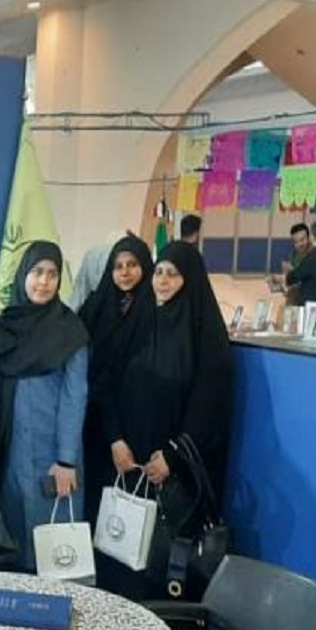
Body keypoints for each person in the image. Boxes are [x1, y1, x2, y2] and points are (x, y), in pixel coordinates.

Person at [104, 241, 233, 598]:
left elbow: (208, 406)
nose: (162, 280)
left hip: (174, 473)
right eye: (158, 272)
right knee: (123, 557)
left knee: (162, 566)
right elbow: (108, 382)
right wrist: (115, 438)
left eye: (172, 274)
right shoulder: (138, 323)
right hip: (129, 462)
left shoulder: (204, 340)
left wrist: (172, 457)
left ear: (189, 279)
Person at [0, 241, 89, 571]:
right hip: (11, 454)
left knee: (54, 557)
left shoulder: (70, 331)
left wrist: (66, 460)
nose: (44, 282)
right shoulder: (5, 326)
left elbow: (75, 397)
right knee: (14, 545)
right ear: (23, 276)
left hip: (53, 458)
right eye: (37, 272)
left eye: (52, 274)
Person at [78, 234, 156, 522]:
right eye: (118, 266)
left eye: (132, 264)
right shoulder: (96, 306)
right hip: (95, 420)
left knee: (127, 514)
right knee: (94, 503)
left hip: (134, 423)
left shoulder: (154, 312)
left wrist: (119, 435)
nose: (124, 272)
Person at [283, 223, 312, 307]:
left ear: (308, 238)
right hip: (293, 298)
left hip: (309, 300)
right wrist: (282, 283)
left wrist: (295, 274)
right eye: (296, 242)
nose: (299, 244)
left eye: (302, 240)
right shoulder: (294, 255)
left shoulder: (315, 255)